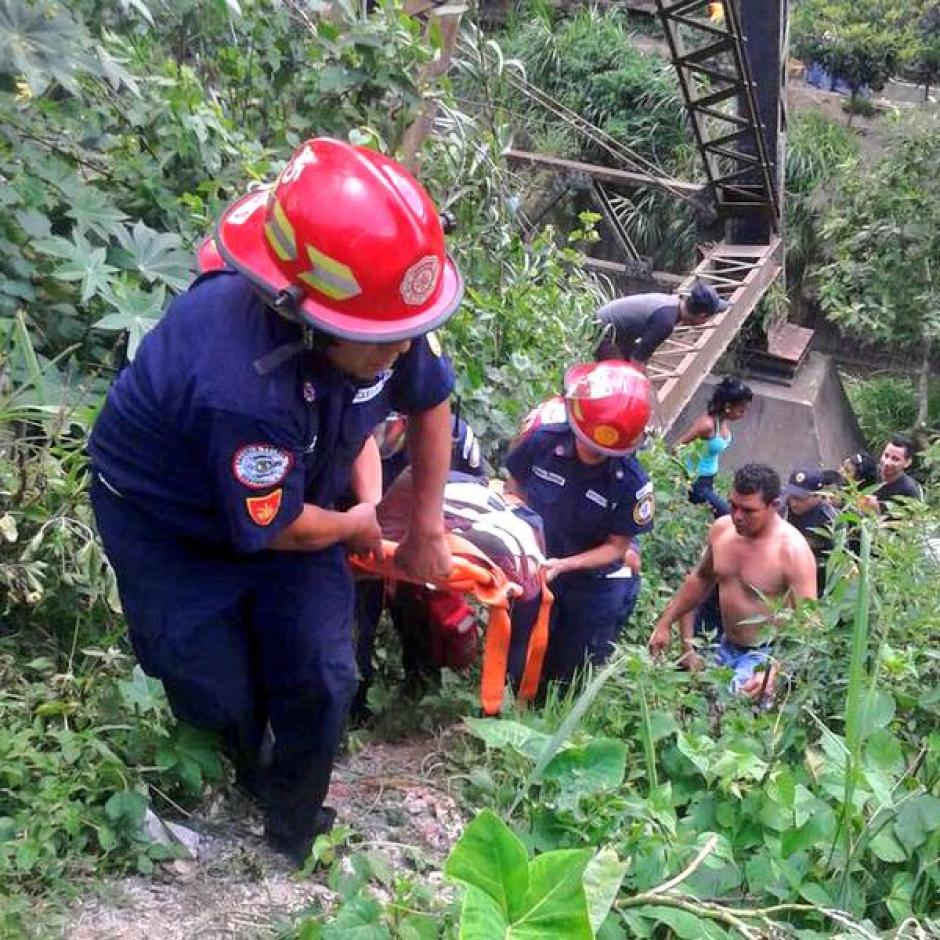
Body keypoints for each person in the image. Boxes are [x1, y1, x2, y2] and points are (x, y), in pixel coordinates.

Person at [88, 138, 463, 865]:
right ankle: (245, 758)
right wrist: (358, 521)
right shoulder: (242, 383)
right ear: (307, 314)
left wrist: (424, 524)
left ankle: (293, 830)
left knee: (324, 671)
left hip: (298, 487)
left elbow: (430, 402)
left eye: (403, 336)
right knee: (212, 686)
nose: (399, 351)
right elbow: (280, 526)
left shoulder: (380, 312)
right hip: (171, 519)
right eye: (380, 342)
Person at [505, 361, 655, 684]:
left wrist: (565, 564)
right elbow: (514, 483)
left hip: (595, 583)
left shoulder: (630, 483)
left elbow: (617, 547)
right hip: (539, 563)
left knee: (569, 672)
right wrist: (524, 534)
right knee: (519, 655)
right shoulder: (543, 439)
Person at [352, 411, 486, 717]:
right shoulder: (351, 424)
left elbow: (472, 491)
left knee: (423, 616)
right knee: (359, 618)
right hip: (361, 540)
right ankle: (353, 710)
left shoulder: (454, 436)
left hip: (420, 548)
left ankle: (423, 682)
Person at [648, 464, 817, 702]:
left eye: (748, 510)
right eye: (733, 505)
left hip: (766, 653)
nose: (737, 516)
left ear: (773, 506)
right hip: (723, 643)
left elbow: (808, 624)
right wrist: (665, 623)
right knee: (689, 704)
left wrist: (776, 670)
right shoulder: (722, 530)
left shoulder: (791, 551)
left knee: (733, 715)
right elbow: (700, 579)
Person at [594, 279, 729, 364]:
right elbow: (637, 361)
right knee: (619, 378)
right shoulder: (665, 323)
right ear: (702, 315)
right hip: (603, 331)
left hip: (618, 332)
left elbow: (640, 354)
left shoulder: (672, 304)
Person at [676, 376, 753, 519]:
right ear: (728, 407)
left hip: (709, 479)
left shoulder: (722, 421)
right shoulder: (707, 425)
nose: (743, 415)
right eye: (741, 411)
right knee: (728, 517)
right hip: (696, 482)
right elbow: (678, 447)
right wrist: (680, 475)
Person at [780, 468, 837, 596]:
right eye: (792, 497)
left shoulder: (830, 520)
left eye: (800, 499)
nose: (794, 503)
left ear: (817, 496)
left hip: (816, 584)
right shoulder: (781, 508)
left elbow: (840, 562)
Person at [870, 435, 923, 511]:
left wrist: (876, 510)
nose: (887, 462)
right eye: (886, 455)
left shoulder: (909, 491)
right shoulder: (873, 472)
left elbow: (914, 521)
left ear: (907, 462)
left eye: (895, 459)